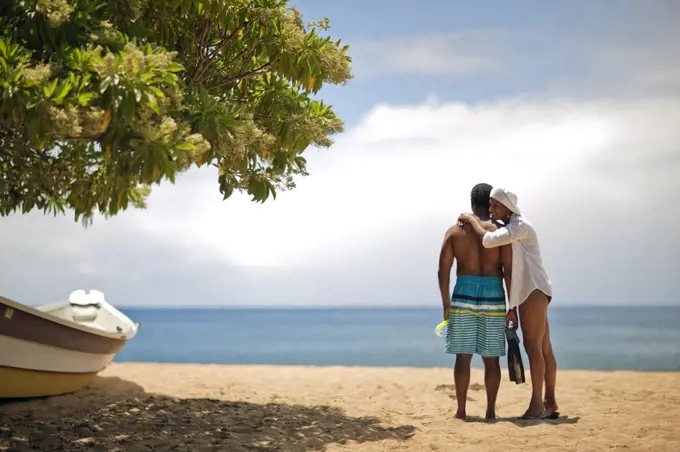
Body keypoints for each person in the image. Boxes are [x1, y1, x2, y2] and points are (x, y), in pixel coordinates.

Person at [458, 187, 559, 420]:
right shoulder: (514, 227)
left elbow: (487, 240)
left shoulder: (519, 226)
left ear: (507, 206)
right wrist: (512, 307)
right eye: (490, 205)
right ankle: (550, 401)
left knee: (534, 347)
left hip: (532, 290)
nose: (491, 209)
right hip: (534, 290)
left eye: (495, 205)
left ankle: (536, 405)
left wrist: (470, 219)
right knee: (544, 348)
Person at [438, 183, 512, 420]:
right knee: (492, 359)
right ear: (490, 204)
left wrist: (446, 305)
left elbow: (443, 271)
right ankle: (490, 411)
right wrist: (513, 306)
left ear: (471, 203)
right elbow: (508, 271)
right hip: (493, 293)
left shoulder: (454, 232)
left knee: (463, 356)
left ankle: (461, 411)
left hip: (464, 293)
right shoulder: (500, 232)